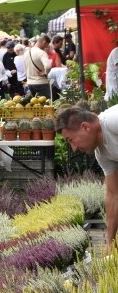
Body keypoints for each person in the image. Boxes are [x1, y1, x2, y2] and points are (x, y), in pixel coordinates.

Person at [57, 105, 118, 250]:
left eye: (70, 140)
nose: (74, 148)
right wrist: (109, 241)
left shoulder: (112, 121)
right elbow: (113, 194)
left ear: (85, 127)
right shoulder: (102, 153)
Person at [26, 35, 53, 99]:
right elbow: (48, 66)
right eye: (47, 45)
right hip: (41, 82)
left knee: (33, 106)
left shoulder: (27, 52)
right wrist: (45, 72)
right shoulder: (41, 53)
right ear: (44, 42)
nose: (46, 47)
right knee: (45, 106)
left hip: (30, 83)